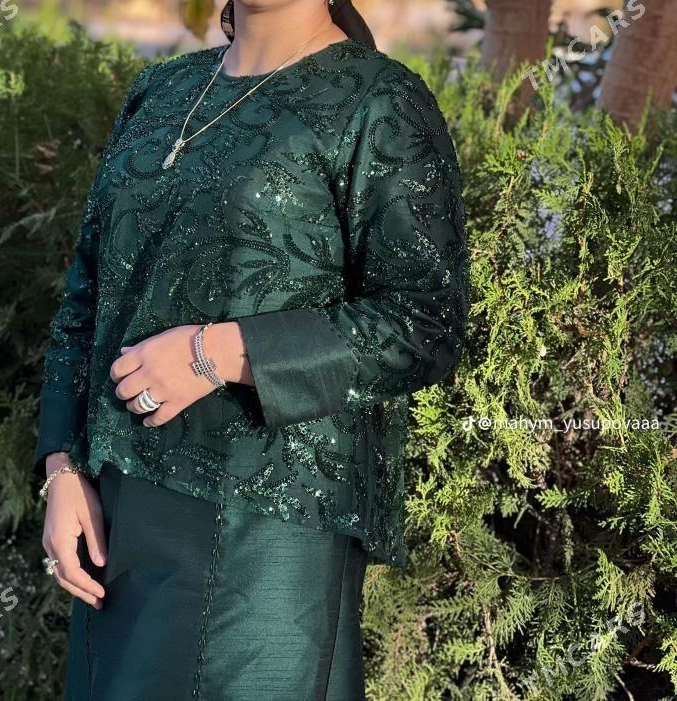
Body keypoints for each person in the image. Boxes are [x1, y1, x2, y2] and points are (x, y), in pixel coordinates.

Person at [33, 0, 469, 698]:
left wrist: (217, 352)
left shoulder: (379, 101)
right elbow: (87, 295)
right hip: (119, 519)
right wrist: (61, 466)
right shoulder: (163, 88)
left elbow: (423, 321)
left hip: (264, 533)